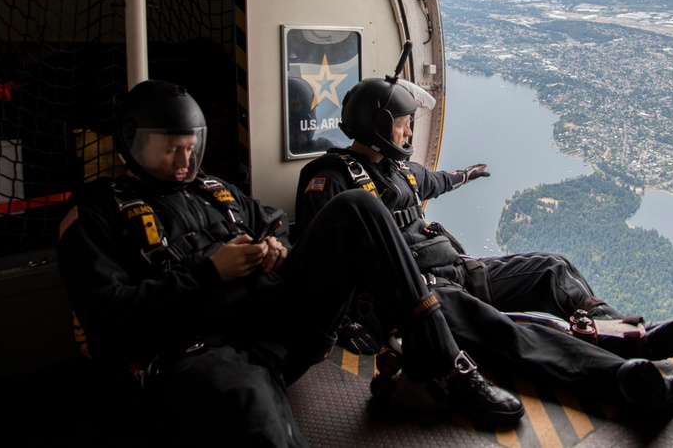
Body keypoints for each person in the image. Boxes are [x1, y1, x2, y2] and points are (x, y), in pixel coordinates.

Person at [57, 80, 526, 448]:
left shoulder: (213, 189)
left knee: (359, 209)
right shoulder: (96, 212)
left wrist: (278, 245)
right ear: (133, 144)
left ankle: (442, 366)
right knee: (254, 417)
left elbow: (275, 220)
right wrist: (209, 272)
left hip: (282, 324)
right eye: (168, 148)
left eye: (190, 147)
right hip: (202, 352)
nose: (183, 161)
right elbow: (105, 316)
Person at [294, 76, 673, 424]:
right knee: (504, 332)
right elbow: (321, 262)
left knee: (551, 267)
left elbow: (438, 181)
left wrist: (468, 174)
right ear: (378, 125)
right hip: (415, 298)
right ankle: (617, 378)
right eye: (403, 124)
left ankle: (625, 331)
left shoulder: (402, 172)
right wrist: (346, 324)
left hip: (459, 272)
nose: (410, 133)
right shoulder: (329, 180)